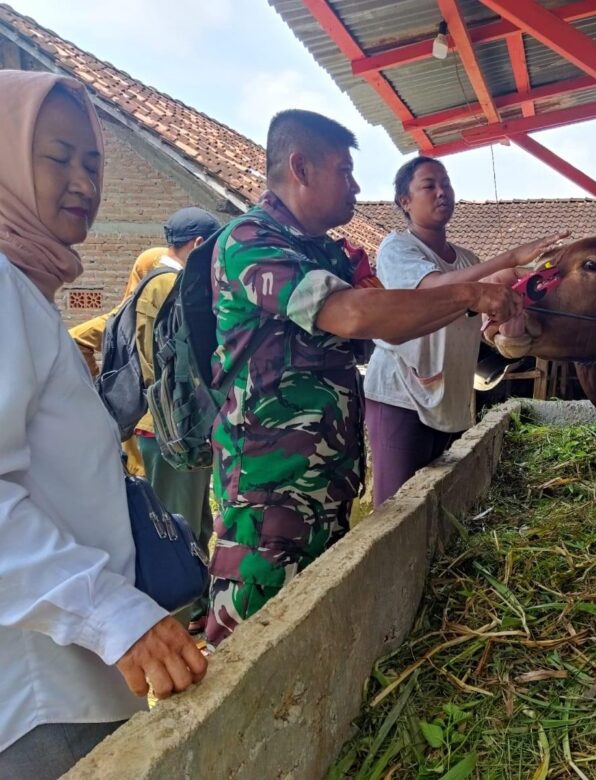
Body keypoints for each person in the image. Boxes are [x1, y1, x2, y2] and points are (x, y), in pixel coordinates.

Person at [204, 109, 521, 647]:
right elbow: (354, 315)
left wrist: (480, 299)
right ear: (300, 167)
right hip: (269, 491)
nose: (354, 186)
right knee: (246, 637)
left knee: (312, 630)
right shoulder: (252, 242)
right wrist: (471, 293)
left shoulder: (328, 253)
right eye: (344, 170)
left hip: (326, 485)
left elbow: (395, 318)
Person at [0, 71, 206, 779]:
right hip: (37, 695)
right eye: (57, 157)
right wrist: (116, 616)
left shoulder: (26, 292)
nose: (83, 180)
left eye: (93, 162)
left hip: (71, 680)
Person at [363, 156, 567, 507]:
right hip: (402, 394)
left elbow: (486, 328)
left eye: (446, 184)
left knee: (442, 502)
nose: (442, 192)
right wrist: (508, 258)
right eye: (429, 186)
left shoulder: (468, 260)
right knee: (396, 509)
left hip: (451, 399)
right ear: (405, 202)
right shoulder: (397, 248)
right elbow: (435, 290)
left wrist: (512, 328)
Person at [135, 208, 221, 636]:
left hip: (161, 425)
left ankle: (197, 609)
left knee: (195, 521)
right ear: (200, 247)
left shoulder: (150, 279)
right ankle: (177, 623)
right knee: (177, 528)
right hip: (177, 427)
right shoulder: (176, 284)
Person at [69, 245, 168, 477]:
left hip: (147, 426)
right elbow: (75, 339)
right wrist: (99, 385)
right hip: (146, 429)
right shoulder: (122, 320)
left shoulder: (159, 317)